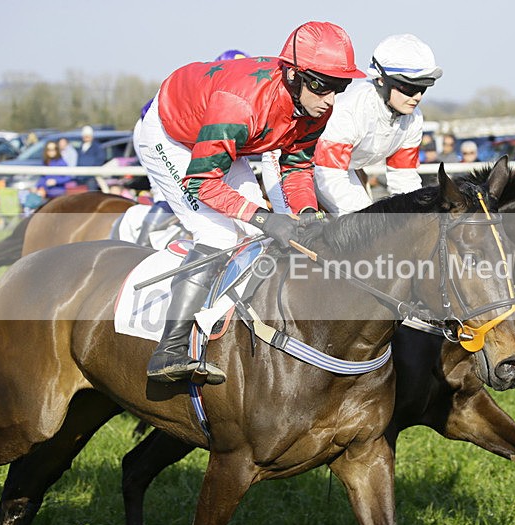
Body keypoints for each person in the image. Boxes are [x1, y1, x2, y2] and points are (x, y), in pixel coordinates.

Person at [136, 21, 365, 385]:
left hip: (231, 137)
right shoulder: (241, 105)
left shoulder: (316, 105)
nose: (331, 99)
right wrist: (263, 217)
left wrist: (305, 211)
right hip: (172, 136)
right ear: (293, 76)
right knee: (219, 233)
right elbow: (202, 183)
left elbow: (297, 165)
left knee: (256, 233)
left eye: (341, 87)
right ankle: (170, 348)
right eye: (323, 86)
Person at [304, 33, 442, 215]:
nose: (417, 97)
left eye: (423, 88)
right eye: (409, 88)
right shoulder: (351, 108)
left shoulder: (414, 118)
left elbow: (403, 177)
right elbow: (329, 175)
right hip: (303, 167)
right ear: (381, 80)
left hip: (343, 170)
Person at [131, 49, 251, 247]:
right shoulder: (209, 90)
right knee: (170, 193)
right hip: (153, 129)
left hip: (187, 134)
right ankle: (140, 245)